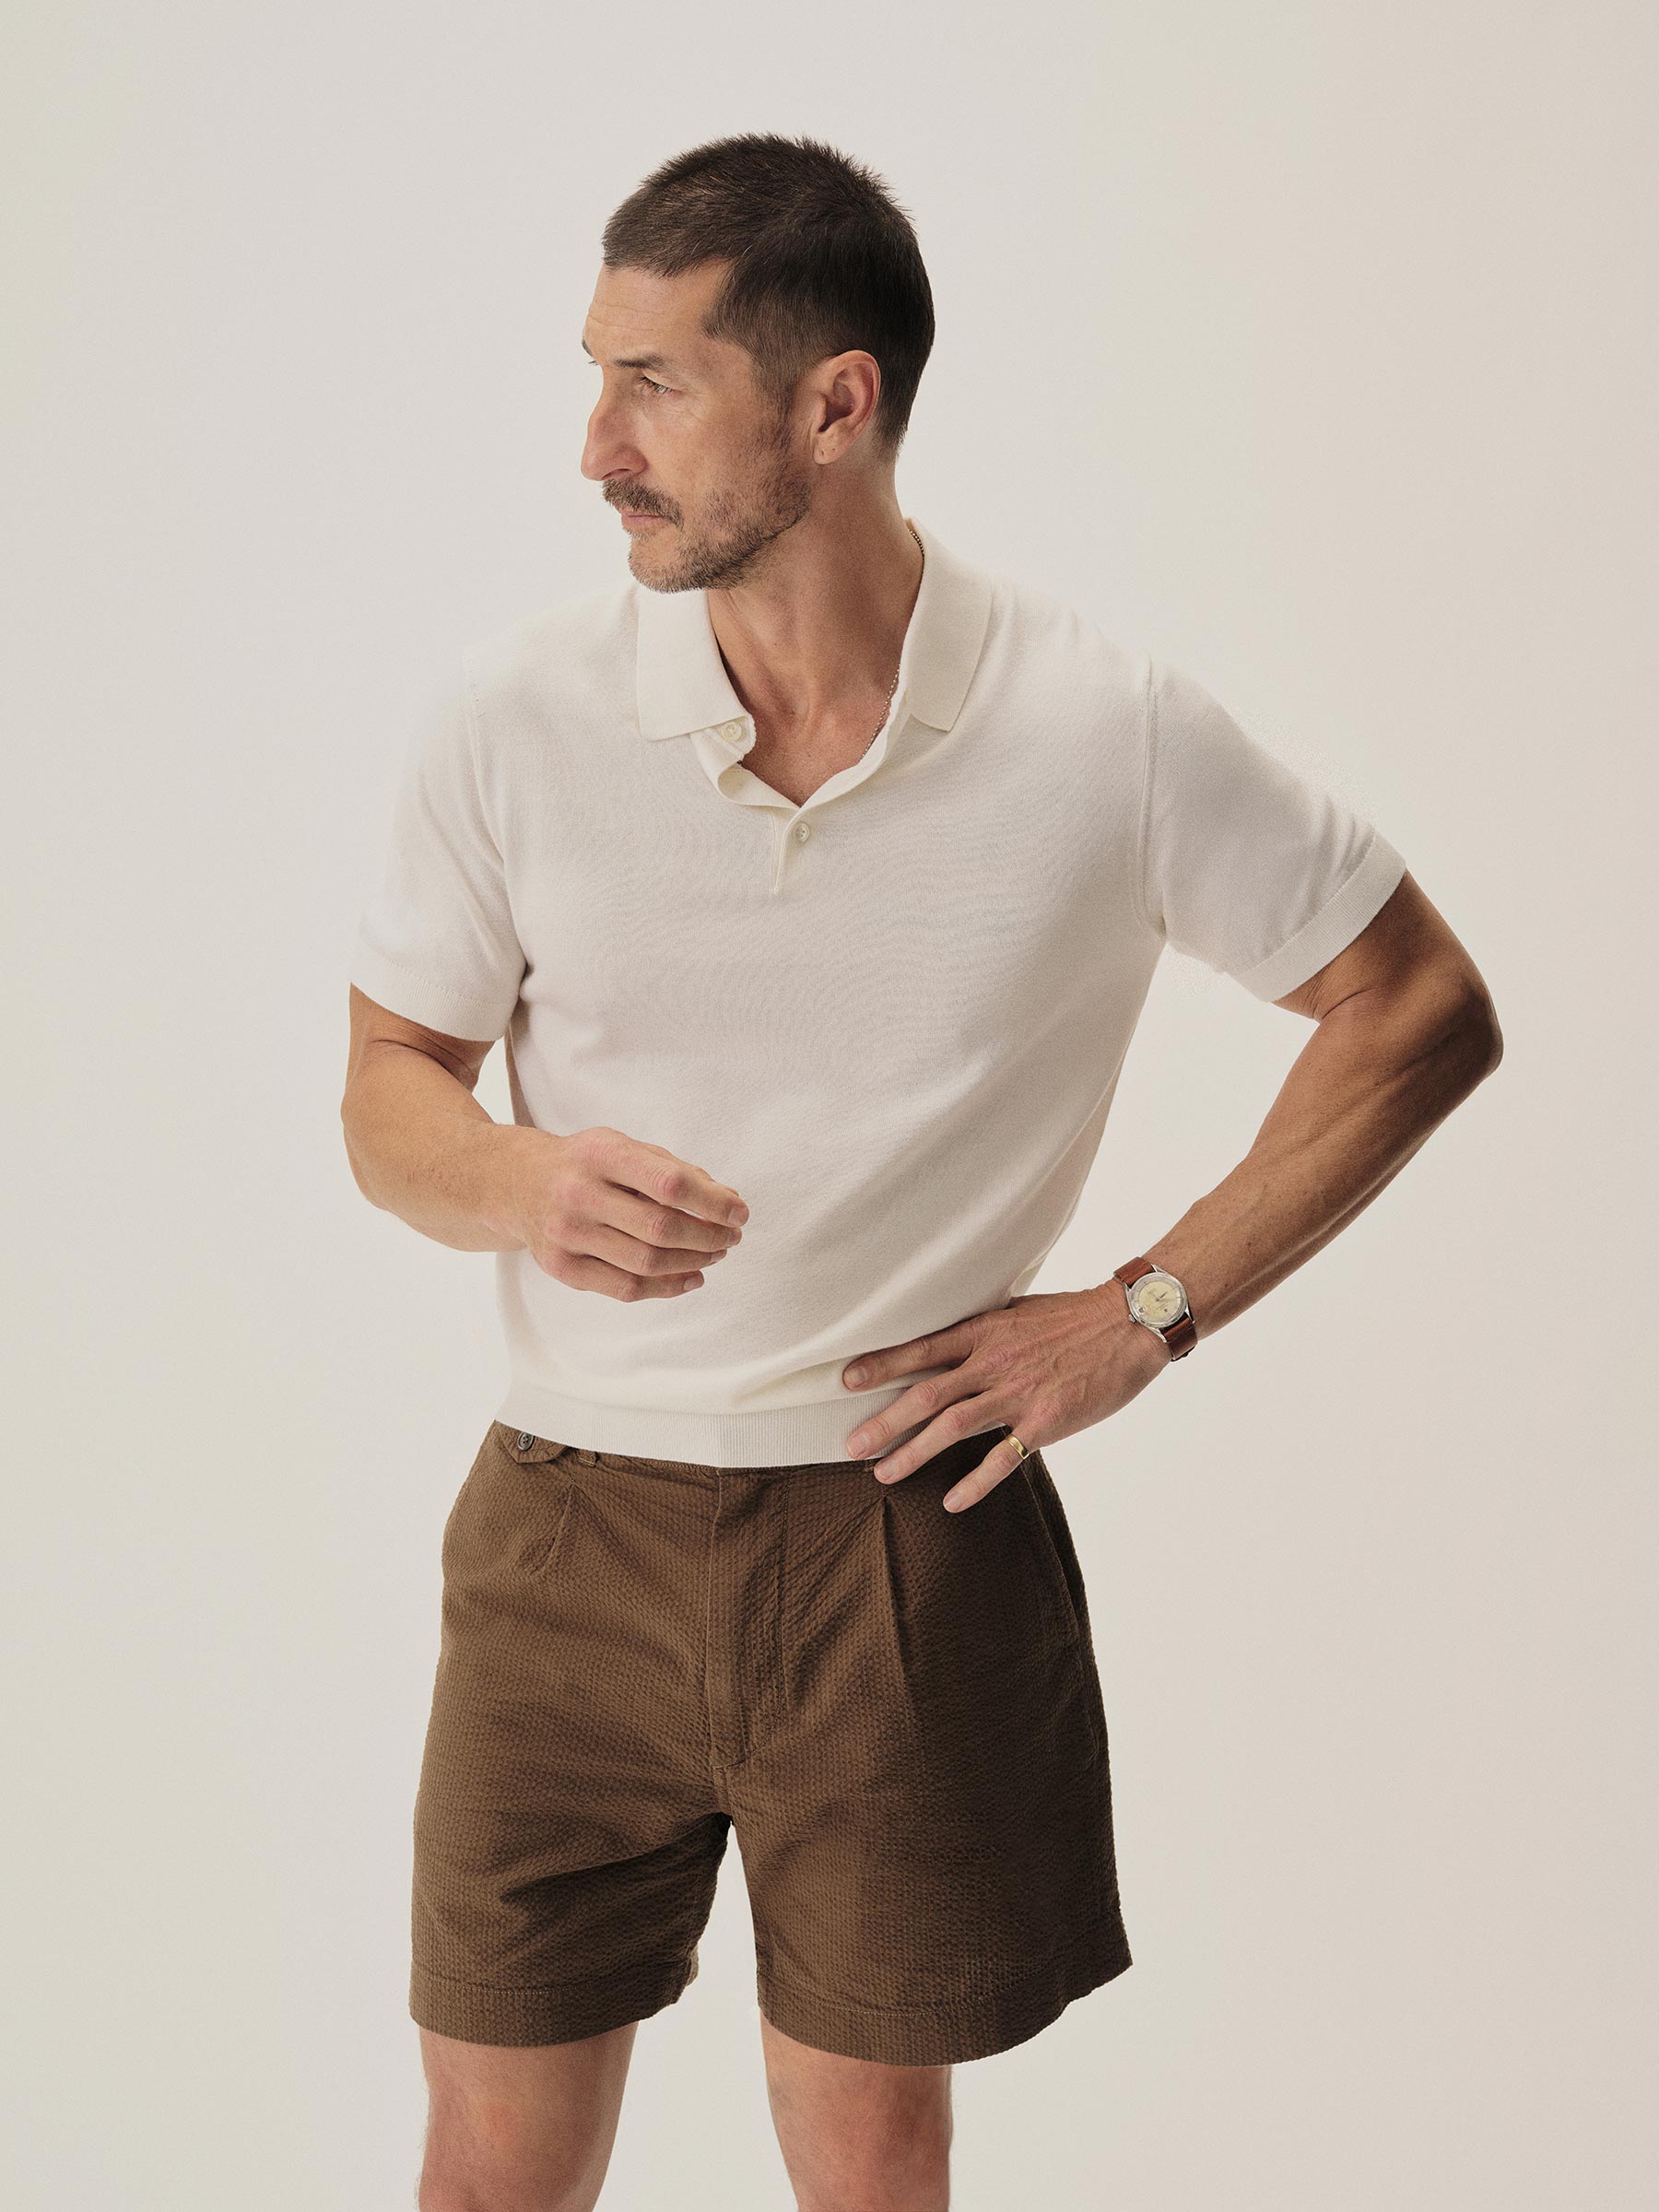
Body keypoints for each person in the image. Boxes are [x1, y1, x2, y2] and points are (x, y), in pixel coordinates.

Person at [340, 130, 1501, 2212]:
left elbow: (1415, 1004)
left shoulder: (1101, 727)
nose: (595, 447)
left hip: (905, 1526)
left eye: (652, 385)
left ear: (835, 405)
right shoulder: (511, 721)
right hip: (562, 1532)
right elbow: (389, 1086)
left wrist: (1141, 1313)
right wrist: (518, 1182)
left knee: (873, 2157)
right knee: (490, 2161)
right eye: (595, 376)